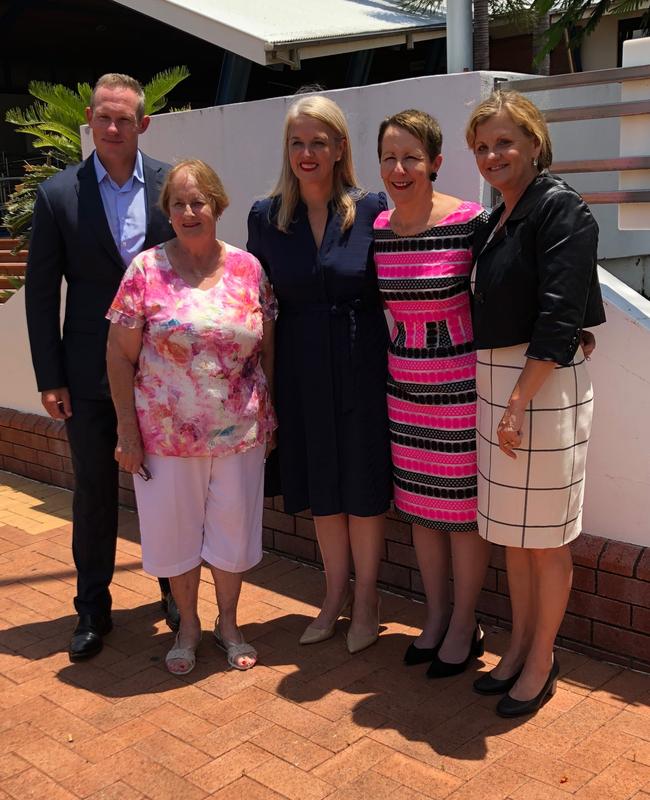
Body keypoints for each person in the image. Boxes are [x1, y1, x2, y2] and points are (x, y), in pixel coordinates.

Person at [25, 73, 179, 662]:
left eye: (125, 118)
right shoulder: (59, 194)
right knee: (93, 491)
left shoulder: (171, 186)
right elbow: (42, 294)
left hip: (165, 370)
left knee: (166, 490)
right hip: (87, 374)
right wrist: (49, 377)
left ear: (143, 124)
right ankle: (92, 608)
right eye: (104, 117)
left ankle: (176, 592)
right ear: (90, 119)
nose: (113, 128)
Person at [106, 159, 277, 675]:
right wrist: (127, 432)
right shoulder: (145, 271)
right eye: (178, 203)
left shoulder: (249, 268)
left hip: (240, 430)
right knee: (175, 536)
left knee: (231, 532)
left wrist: (271, 415)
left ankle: (228, 622)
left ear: (218, 206)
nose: (188, 211)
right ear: (168, 212)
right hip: (165, 435)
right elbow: (119, 354)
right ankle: (188, 625)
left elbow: (268, 345)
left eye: (198, 200)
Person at [466, 90, 605, 717]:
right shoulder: (498, 216)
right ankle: (519, 646)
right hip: (502, 383)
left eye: (504, 142)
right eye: (482, 145)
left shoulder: (561, 210)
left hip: (538, 389)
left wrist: (519, 401)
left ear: (533, 143)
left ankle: (543, 659)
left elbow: (557, 317)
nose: (493, 154)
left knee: (545, 539)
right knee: (514, 537)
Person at [247, 95, 392, 654]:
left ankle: (369, 599)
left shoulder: (371, 207)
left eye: (318, 142)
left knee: (362, 484)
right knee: (325, 487)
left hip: (361, 362)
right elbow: (259, 306)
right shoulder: (266, 216)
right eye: (297, 142)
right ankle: (333, 596)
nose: (307, 153)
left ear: (338, 149)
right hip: (301, 366)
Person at [374, 110, 492, 678]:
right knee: (421, 508)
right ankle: (437, 614)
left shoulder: (472, 222)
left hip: (460, 387)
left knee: (463, 513)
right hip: (405, 388)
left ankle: (467, 622)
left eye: (411, 157)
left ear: (436, 163)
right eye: (390, 157)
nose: (399, 169)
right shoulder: (377, 228)